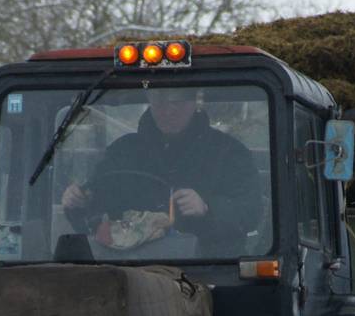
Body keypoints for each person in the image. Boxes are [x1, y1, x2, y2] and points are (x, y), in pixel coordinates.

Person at [60, 87, 259, 253]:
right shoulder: (122, 151)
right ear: (149, 100)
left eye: (177, 102)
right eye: (161, 101)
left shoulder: (229, 152)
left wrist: (208, 209)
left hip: (207, 266)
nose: (169, 111)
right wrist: (80, 201)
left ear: (194, 102)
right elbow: (97, 207)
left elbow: (251, 213)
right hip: (129, 265)